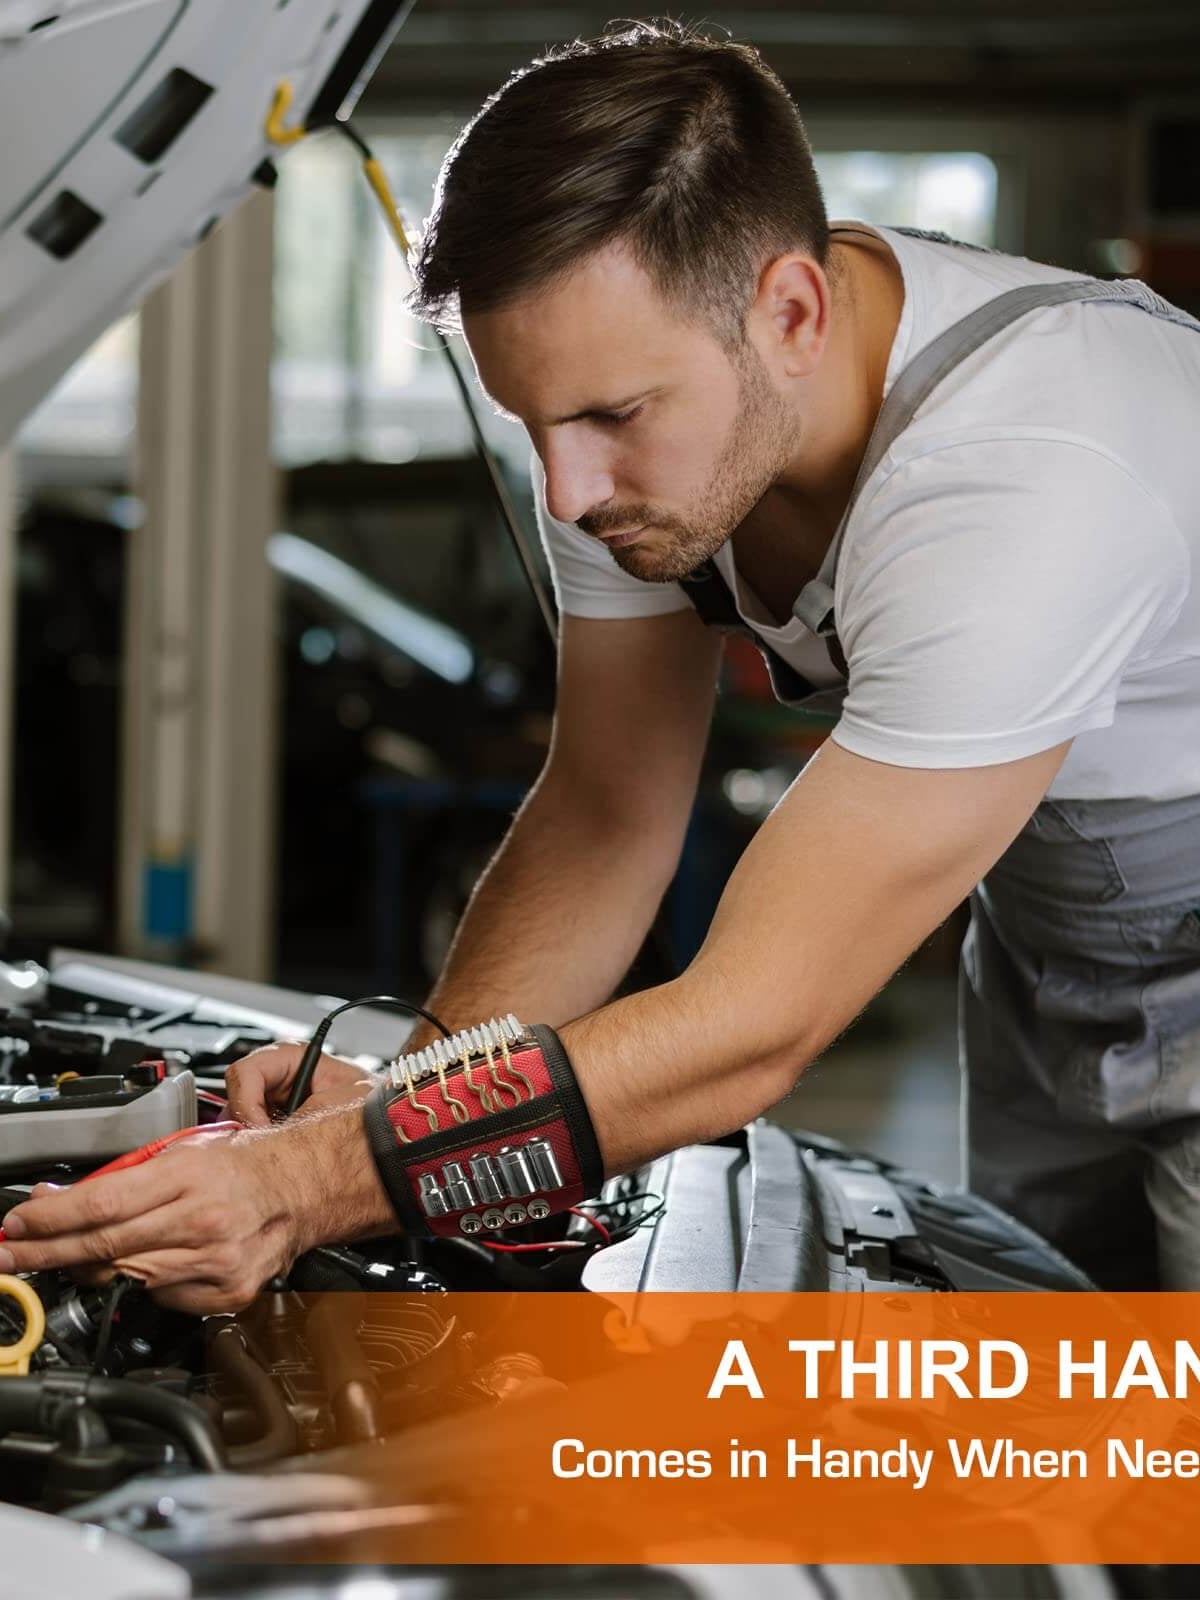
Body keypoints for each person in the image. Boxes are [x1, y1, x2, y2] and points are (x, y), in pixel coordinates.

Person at [2, 22, 1197, 1306]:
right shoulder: (639, 413)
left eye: (612, 418)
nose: (568, 496)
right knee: (1092, 1396)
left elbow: (753, 1020)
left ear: (791, 311)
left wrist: (318, 1181)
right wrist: (415, 1095)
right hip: (1046, 940)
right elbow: (606, 809)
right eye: (535, 424)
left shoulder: (1030, 472)